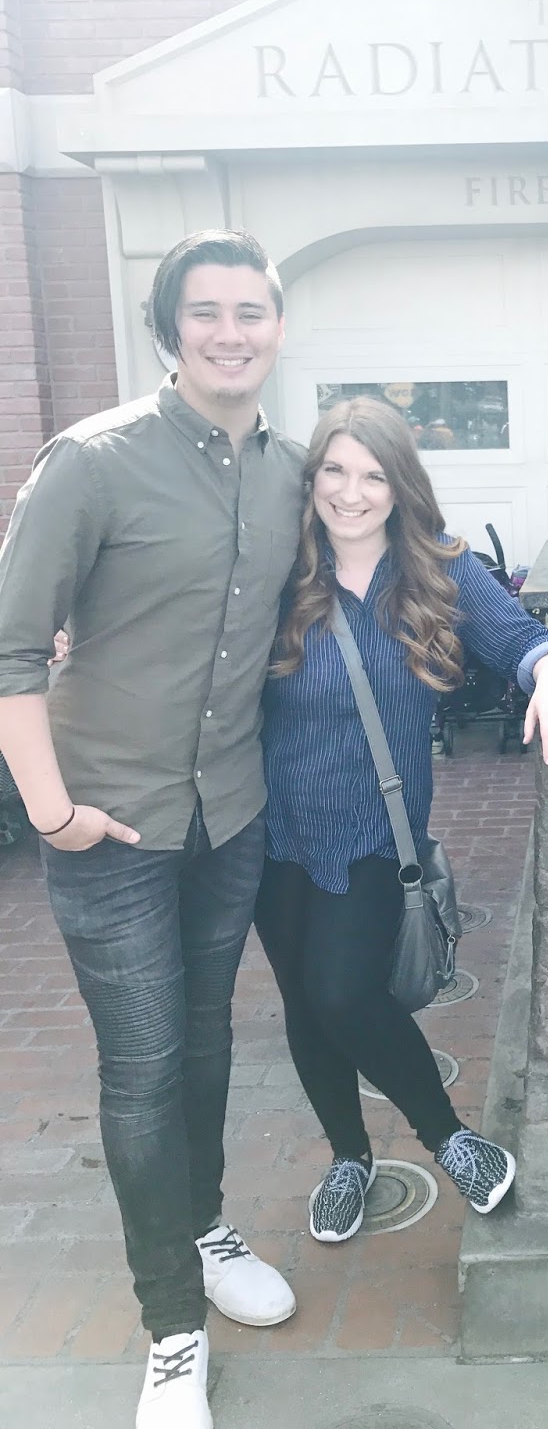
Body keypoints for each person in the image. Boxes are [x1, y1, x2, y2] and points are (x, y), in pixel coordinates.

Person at [0, 230, 304, 1429]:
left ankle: (205, 1223)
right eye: (206, 312)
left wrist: (536, 658)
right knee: (143, 1070)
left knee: (209, 1041)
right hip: (110, 831)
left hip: (230, 817)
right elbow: (12, 649)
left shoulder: (289, 472)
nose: (230, 332)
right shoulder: (92, 462)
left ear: (277, 326)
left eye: (250, 311)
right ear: (170, 328)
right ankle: (173, 1325)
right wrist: (51, 810)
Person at [254, 396, 548, 1242]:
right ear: (311, 478)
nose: (350, 492)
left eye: (372, 475)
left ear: (401, 485)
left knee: (341, 991)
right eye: (334, 471)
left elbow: (521, 638)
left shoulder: (440, 570)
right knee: (304, 1004)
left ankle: (449, 1137)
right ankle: (348, 1157)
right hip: (271, 834)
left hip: (376, 835)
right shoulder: (278, 570)